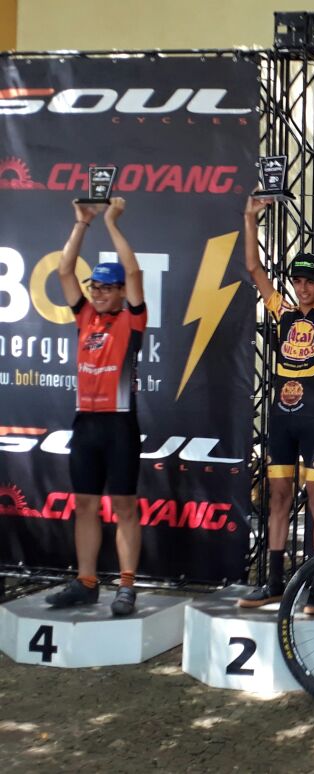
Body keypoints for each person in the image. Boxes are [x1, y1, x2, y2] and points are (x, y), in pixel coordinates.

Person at [237, 179, 314, 614]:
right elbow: (254, 269)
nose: (303, 287)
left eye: (311, 281)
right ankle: (274, 582)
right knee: (278, 497)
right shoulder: (281, 312)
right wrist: (249, 219)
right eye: (298, 280)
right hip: (281, 420)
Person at [46, 197, 147, 616]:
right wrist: (81, 223)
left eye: (107, 288)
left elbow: (135, 271)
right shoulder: (85, 316)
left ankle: (126, 586)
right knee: (85, 504)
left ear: (121, 292)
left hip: (120, 424)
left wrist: (112, 223)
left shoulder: (132, 319)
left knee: (124, 506)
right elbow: (64, 270)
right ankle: (86, 581)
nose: (100, 293)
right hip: (86, 424)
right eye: (96, 287)